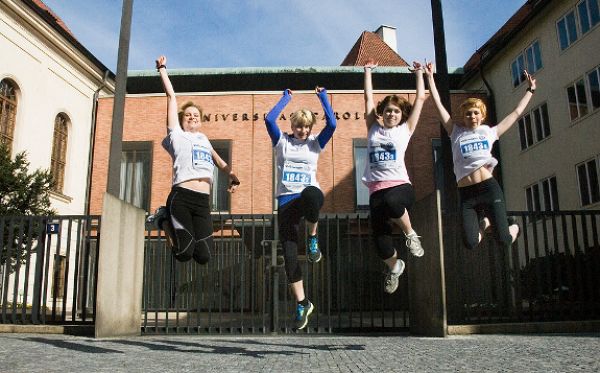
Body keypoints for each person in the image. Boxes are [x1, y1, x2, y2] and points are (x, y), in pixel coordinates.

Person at [424, 61, 537, 251]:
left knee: (504, 240)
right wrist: (429, 77)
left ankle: (515, 226)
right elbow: (438, 105)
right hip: (467, 195)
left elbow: (516, 113)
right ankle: (485, 223)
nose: (472, 116)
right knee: (470, 242)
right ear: (463, 116)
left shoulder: (489, 132)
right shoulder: (455, 132)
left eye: (476, 113)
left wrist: (530, 90)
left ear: (481, 115)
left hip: (488, 189)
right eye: (468, 114)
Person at [146, 55, 240, 265]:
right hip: (182, 196)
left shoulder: (204, 139)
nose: (192, 117)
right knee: (183, 254)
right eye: (188, 115)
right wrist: (162, 68)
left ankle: (165, 219)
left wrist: (232, 175)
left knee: (204, 256)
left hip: (202, 203)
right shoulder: (176, 135)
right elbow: (171, 97)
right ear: (181, 120)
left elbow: (219, 161)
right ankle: (163, 220)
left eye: (196, 114)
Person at [265, 87, 336, 329]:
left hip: (306, 196)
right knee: (290, 257)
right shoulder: (281, 142)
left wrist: (323, 97)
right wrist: (286, 98)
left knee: (312, 193)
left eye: (307, 127)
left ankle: (313, 237)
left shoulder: (315, 144)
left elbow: (333, 125)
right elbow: (268, 119)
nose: (303, 131)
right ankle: (303, 302)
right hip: (286, 201)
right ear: (293, 125)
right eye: (299, 126)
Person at [362, 59, 427, 294]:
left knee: (392, 202)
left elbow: (419, 99)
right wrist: (368, 71)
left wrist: (419, 73)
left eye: (396, 111)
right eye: (388, 110)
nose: (391, 113)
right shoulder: (373, 128)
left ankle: (410, 234)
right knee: (380, 242)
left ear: (402, 115)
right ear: (383, 112)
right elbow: (368, 100)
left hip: (400, 188)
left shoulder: (405, 130)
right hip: (375, 191)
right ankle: (395, 266)